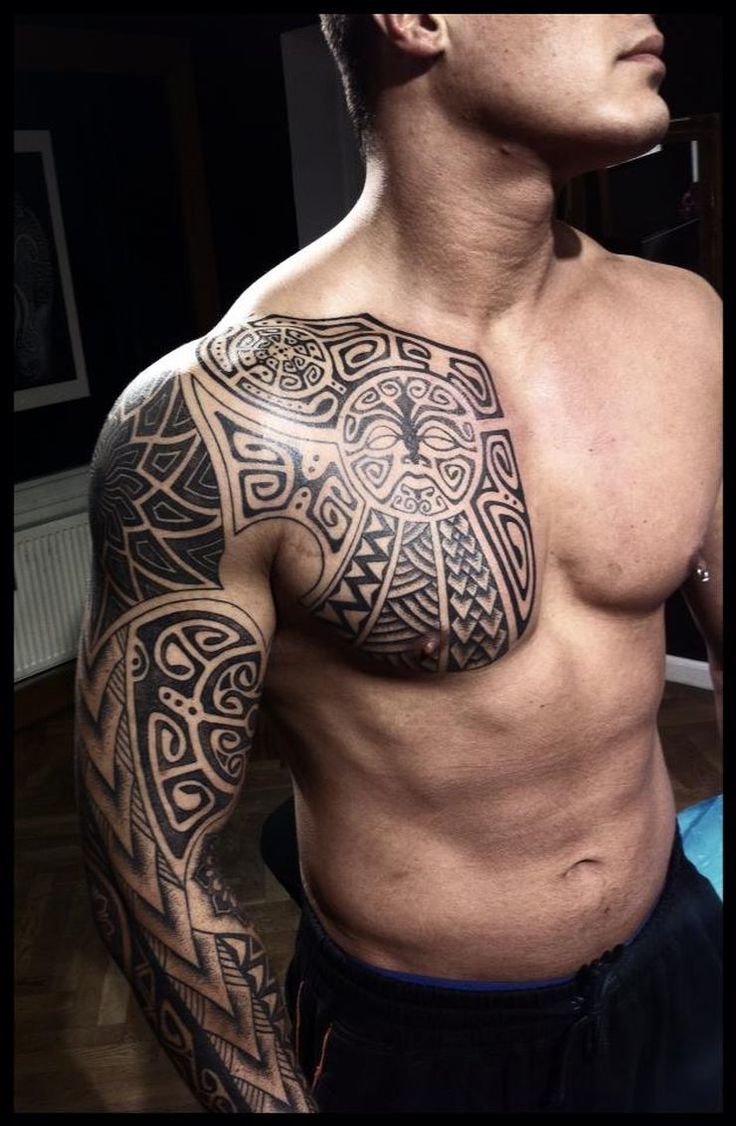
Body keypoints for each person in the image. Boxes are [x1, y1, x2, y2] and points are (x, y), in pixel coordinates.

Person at [74, 13, 722, 1114]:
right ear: (415, 21)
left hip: (679, 960)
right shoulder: (220, 421)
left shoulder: (684, 324)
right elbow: (150, 865)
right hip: (430, 1044)